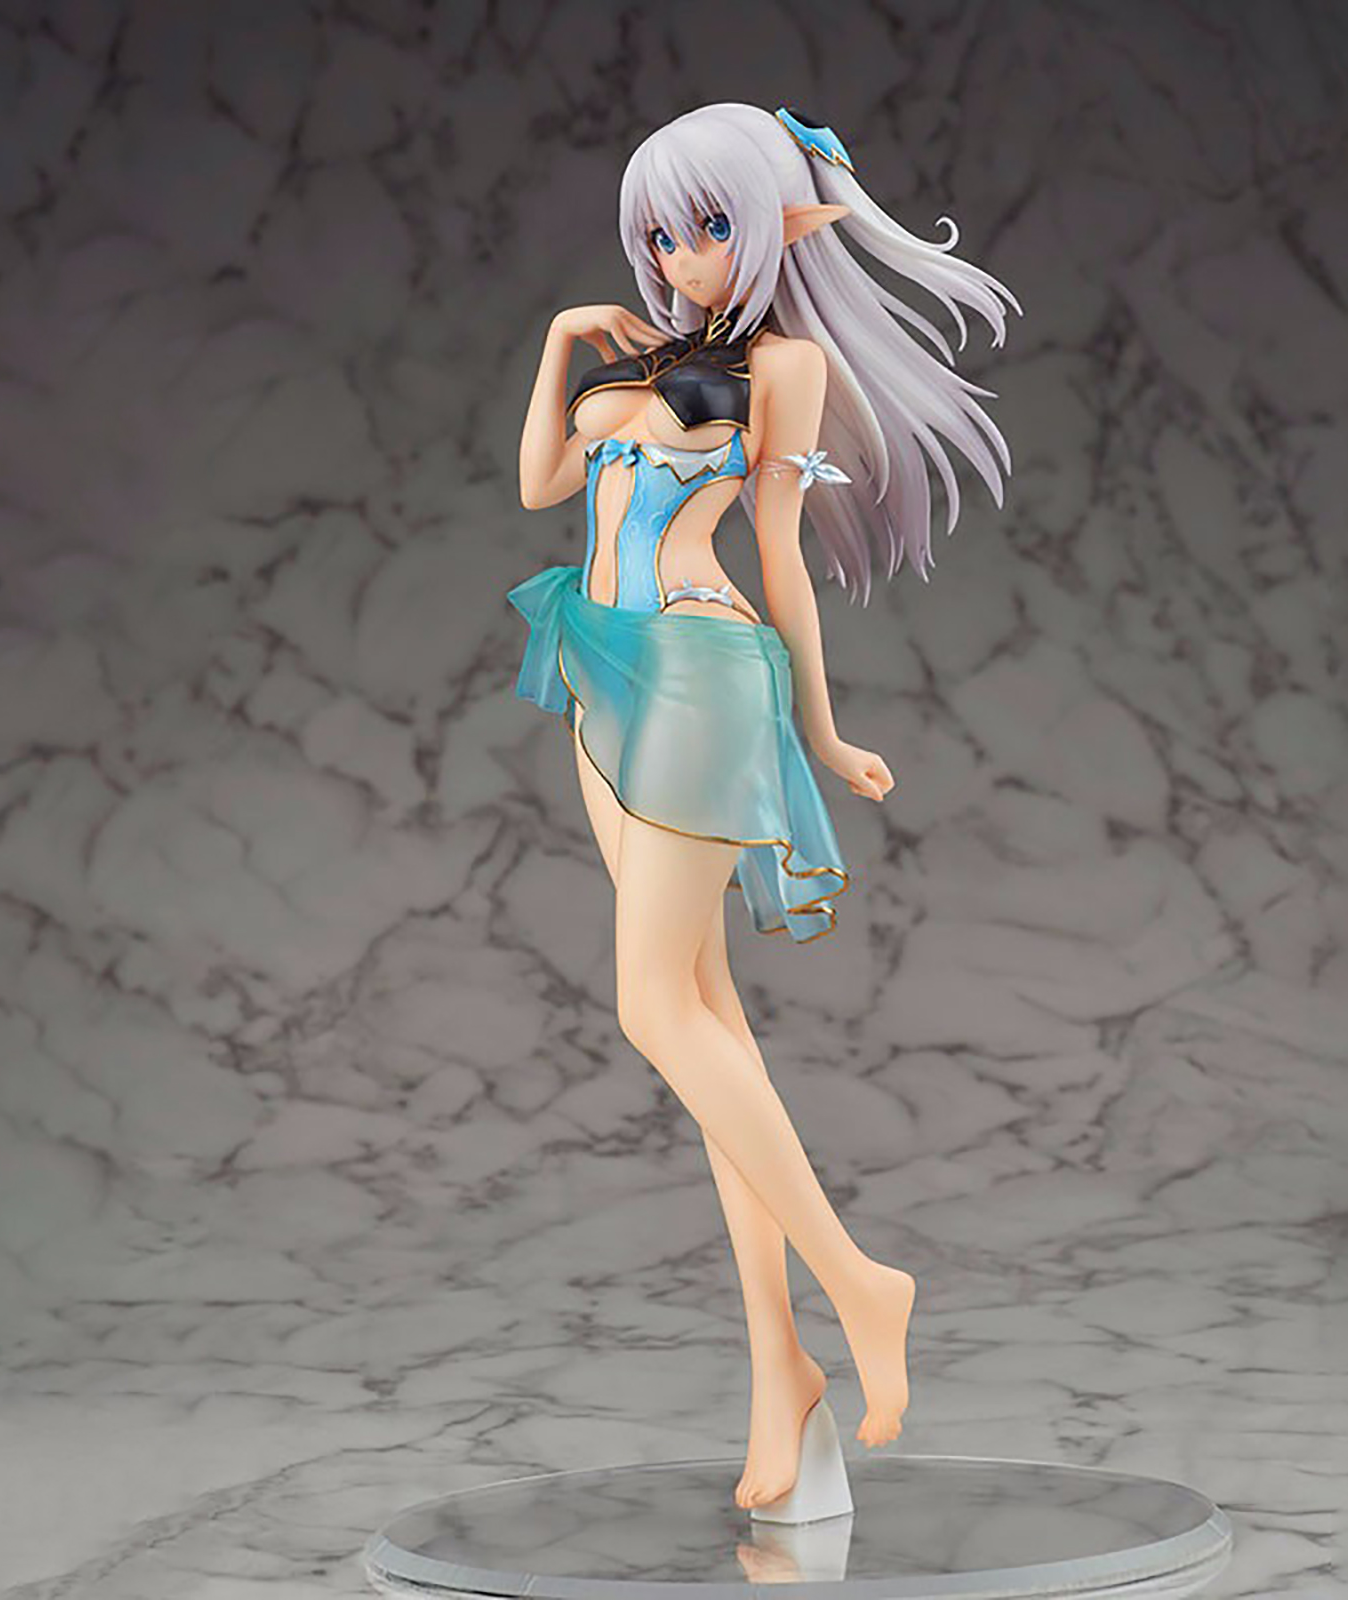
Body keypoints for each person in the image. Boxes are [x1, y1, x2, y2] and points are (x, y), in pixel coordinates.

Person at [510, 102, 1020, 1512]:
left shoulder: (783, 368)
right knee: (708, 1025)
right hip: (601, 675)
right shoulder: (637, 358)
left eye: (711, 225)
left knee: (651, 1009)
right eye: (662, 232)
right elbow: (544, 485)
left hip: (697, 670)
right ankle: (780, 1373)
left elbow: (782, 558)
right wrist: (560, 344)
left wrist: (824, 730)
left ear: (780, 224)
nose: (682, 255)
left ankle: (860, 1282)